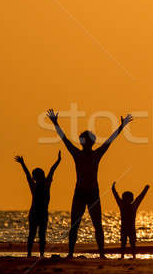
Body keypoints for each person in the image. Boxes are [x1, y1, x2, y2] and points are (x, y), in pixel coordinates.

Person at [46, 109, 132, 258]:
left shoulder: (96, 154)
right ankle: (71, 253)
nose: (84, 142)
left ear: (91, 142)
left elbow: (110, 141)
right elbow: (64, 139)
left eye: (86, 140)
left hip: (92, 193)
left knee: (97, 225)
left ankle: (101, 254)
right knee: (75, 225)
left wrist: (121, 127)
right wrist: (56, 123)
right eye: (82, 140)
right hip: (80, 193)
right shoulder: (77, 154)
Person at [14, 151, 61, 257]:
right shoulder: (37, 186)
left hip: (41, 213)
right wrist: (22, 164)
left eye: (34, 175)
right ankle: (31, 253)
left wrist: (58, 161)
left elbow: (52, 170)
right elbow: (28, 174)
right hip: (35, 213)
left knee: (41, 235)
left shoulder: (45, 184)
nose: (33, 177)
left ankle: (40, 254)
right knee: (33, 234)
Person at [112, 182, 150, 259]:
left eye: (128, 198)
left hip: (130, 228)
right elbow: (116, 197)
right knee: (123, 243)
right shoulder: (123, 205)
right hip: (125, 228)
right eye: (125, 198)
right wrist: (113, 189)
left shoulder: (132, 206)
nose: (126, 200)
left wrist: (145, 189)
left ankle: (133, 256)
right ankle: (123, 256)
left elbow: (140, 197)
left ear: (131, 199)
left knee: (132, 243)